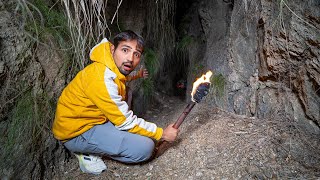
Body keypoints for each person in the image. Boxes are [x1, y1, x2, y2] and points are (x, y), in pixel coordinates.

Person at [52, 30, 179, 175]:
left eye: (136, 54)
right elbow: (126, 121)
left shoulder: (111, 70)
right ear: (113, 49)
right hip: (76, 132)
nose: (130, 59)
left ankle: (106, 140)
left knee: (128, 92)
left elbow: (123, 89)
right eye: (125, 50)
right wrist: (161, 133)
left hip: (93, 119)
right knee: (146, 148)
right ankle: (85, 152)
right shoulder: (101, 77)